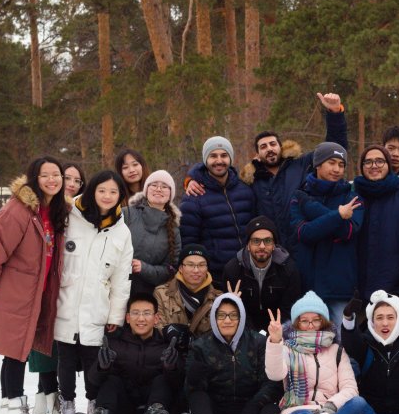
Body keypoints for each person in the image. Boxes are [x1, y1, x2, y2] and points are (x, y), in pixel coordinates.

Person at [0, 156, 68, 414]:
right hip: (14, 291)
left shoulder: (55, 211)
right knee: (15, 351)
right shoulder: (19, 209)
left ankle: (9, 410)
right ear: (34, 178)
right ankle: (15, 408)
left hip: (37, 293)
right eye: (45, 175)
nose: (52, 180)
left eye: (56, 174)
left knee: (17, 351)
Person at [54, 170, 133, 414]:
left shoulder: (122, 231)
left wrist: (116, 316)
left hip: (97, 304)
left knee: (93, 359)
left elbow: (122, 278)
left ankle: (93, 403)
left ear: (120, 196)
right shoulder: (71, 217)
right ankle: (66, 404)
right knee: (65, 357)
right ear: (92, 191)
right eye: (102, 190)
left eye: (113, 192)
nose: (107, 196)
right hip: (67, 299)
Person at [235, 93, 348, 256]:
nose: (269, 148)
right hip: (271, 254)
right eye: (263, 147)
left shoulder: (301, 165)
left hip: (305, 248)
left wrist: (335, 113)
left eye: (273, 144)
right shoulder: (251, 181)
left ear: (281, 147)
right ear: (257, 154)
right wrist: (196, 177)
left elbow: (334, 148)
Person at [176, 292, 285, 414]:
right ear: (214, 318)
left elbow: (272, 384)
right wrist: (194, 378)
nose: (227, 320)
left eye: (233, 315)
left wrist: (253, 407)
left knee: (272, 409)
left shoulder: (259, 342)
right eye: (221, 315)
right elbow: (192, 390)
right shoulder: (200, 346)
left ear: (241, 318)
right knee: (197, 397)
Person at [265, 291, 367, 414]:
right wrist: (275, 341)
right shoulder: (287, 349)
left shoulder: (337, 350)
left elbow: (350, 388)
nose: (310, 325)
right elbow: (274, 374)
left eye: (316, 320)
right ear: (297, 323)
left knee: (358, 403)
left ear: (323, 321)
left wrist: (331, 406)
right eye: (304, 321)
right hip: (299, 410)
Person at [72, 293, 181, 414]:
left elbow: (179, 386)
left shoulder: (166, 346)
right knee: (111, 380)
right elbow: (93, 382)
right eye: (135, 313)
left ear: (156, 318)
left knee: (162, 380)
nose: (141, 319)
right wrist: (102, 367)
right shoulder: (114, 344)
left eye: (147, 313)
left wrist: (171, 368)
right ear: (128, 318)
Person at [31, 161, 86, 414]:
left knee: (61, 347)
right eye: (67, 178)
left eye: (77, 181)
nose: (72, 184)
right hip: (45, 284)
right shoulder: (49, 208)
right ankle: (46, 398)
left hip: (69, 287)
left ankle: (48, 400)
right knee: (43, 344)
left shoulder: (80, 212)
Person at [289, 142, 364, 322]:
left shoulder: (352, 197)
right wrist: (338, 215)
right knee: (310, 339)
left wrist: (311, 209)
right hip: (308, 287)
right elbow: (304, 233)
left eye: (341, 165)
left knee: (342, 338)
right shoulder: (299, 196)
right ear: (317, 164)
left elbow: (348, 231)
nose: (337, 169)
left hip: (340, 287)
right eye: (332, 163)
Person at [179, 136, 255, 287]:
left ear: (230, 158)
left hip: (250, 271)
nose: (219, 161)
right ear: (205, 160)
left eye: (224, 155)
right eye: (213, 156)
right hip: (217, 277)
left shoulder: (245, 189)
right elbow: (188, 244)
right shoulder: (193, 197)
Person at [353, 145, 399, 303]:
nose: (374, 166)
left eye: (379, 161)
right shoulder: (353, 198)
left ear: (388, 165)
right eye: (368, 162)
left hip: (394, 292)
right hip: (356, 290)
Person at [221, 216, 303, 332]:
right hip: (245, 329)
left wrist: (274, 333)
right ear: (248, 245)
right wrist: (254, 337)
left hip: (279, 328)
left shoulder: (288, 269)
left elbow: (289, 309)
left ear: (274, 245)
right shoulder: (232, 270)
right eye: (256, 241)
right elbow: (232, 310)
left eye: (268, 241)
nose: (262, 246)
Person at [123, 170, 181, 296]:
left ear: (170, 194)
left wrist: (144, 268)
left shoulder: (174, 229)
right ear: (146, 189)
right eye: (154, 185)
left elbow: (171, 269)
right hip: (117, 285)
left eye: (164, 186)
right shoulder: (126, 214)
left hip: (147, 294)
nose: (158, 189)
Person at [154, 244, 222, 337]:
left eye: (201, 265)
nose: (196, 270)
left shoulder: (218, 298)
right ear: (180, 268)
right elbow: (158, 327)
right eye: (190, 265)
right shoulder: (162, 293)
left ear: (207, 269)